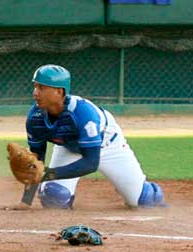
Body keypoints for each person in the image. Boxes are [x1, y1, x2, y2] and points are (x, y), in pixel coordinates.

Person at [12, 64, 166, 209]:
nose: (35, 92)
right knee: (54, 197)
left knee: (143, 201)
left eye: (41, 87)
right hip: (69, 147)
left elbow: (91, 163)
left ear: (59, 91)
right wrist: (26, 201)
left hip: (107, 146)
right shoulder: (35, 118)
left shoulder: (84, 113)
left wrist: (47, 174)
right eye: (35, 86)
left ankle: (141, 189)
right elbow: (37, 160)